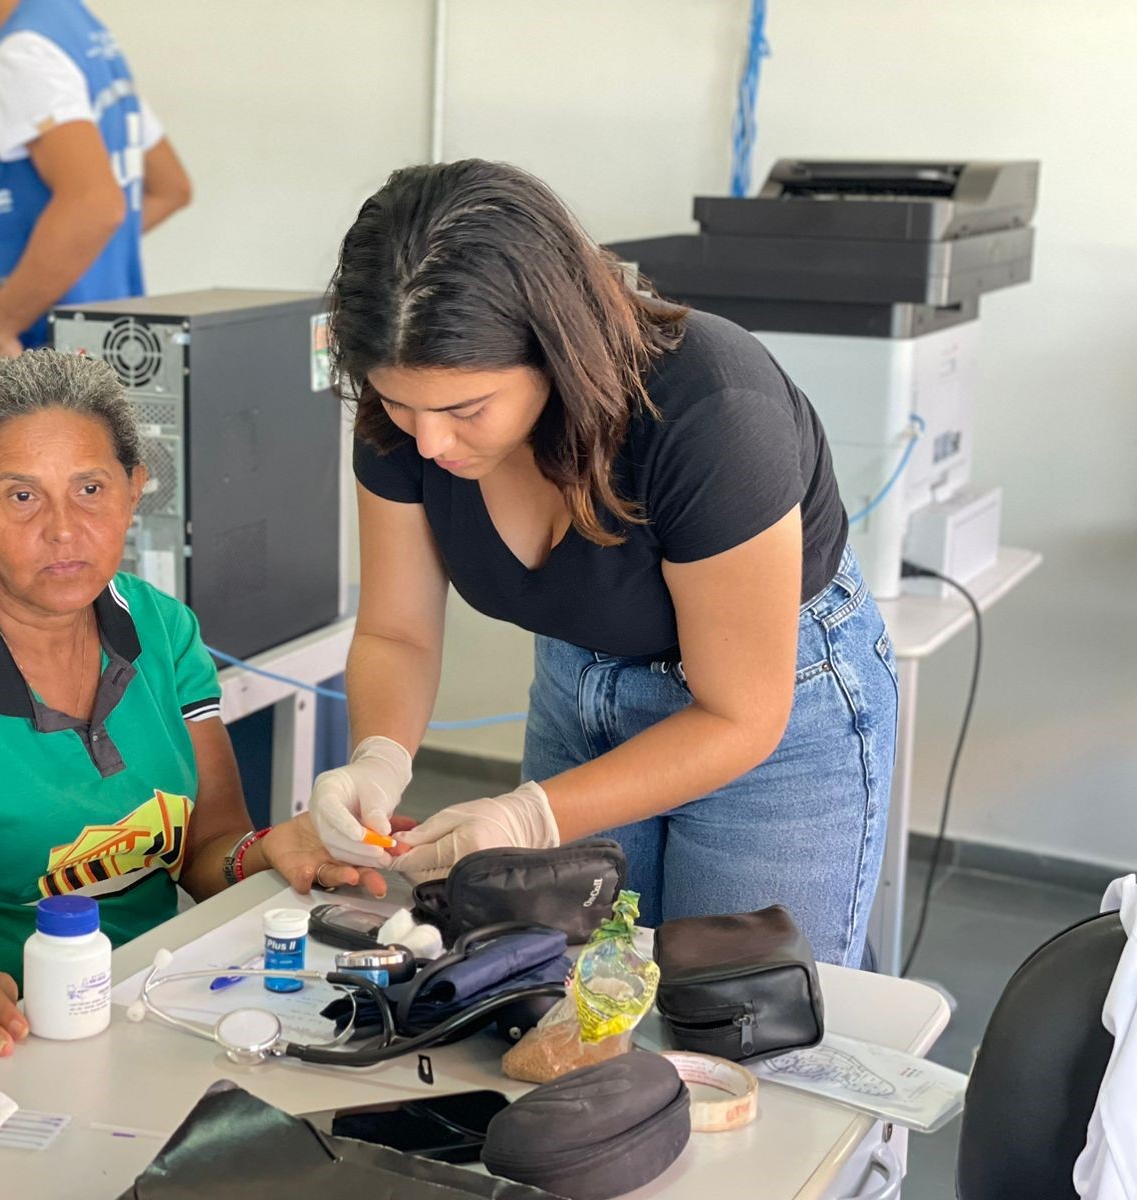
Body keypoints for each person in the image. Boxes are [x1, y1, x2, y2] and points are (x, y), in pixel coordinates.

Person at [312, 160, 897, 968]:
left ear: (555, 353)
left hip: (775, 711)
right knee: (568, 993)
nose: (430, 441)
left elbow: (740, 714)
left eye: (466, 409)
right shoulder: (407, 417)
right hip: (579, 686)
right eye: (399, 402)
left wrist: (529, 817)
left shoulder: (711, 409)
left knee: (740, 1006)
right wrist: (378, 757)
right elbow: (397, 633)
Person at [0, 352, 381, 1086]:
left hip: (139, 1000)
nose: (64, 530)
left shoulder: (163, 630)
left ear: (133, 491)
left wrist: (272, 849)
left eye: (90, 489)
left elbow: (207, 845)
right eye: (22, 497)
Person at [0, 0, 192, 355]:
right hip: (107, 348)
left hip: (42, 359)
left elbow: (96, 206)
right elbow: (170, 188)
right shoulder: (86, 37)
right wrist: (81, 250)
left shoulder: (27, 51)